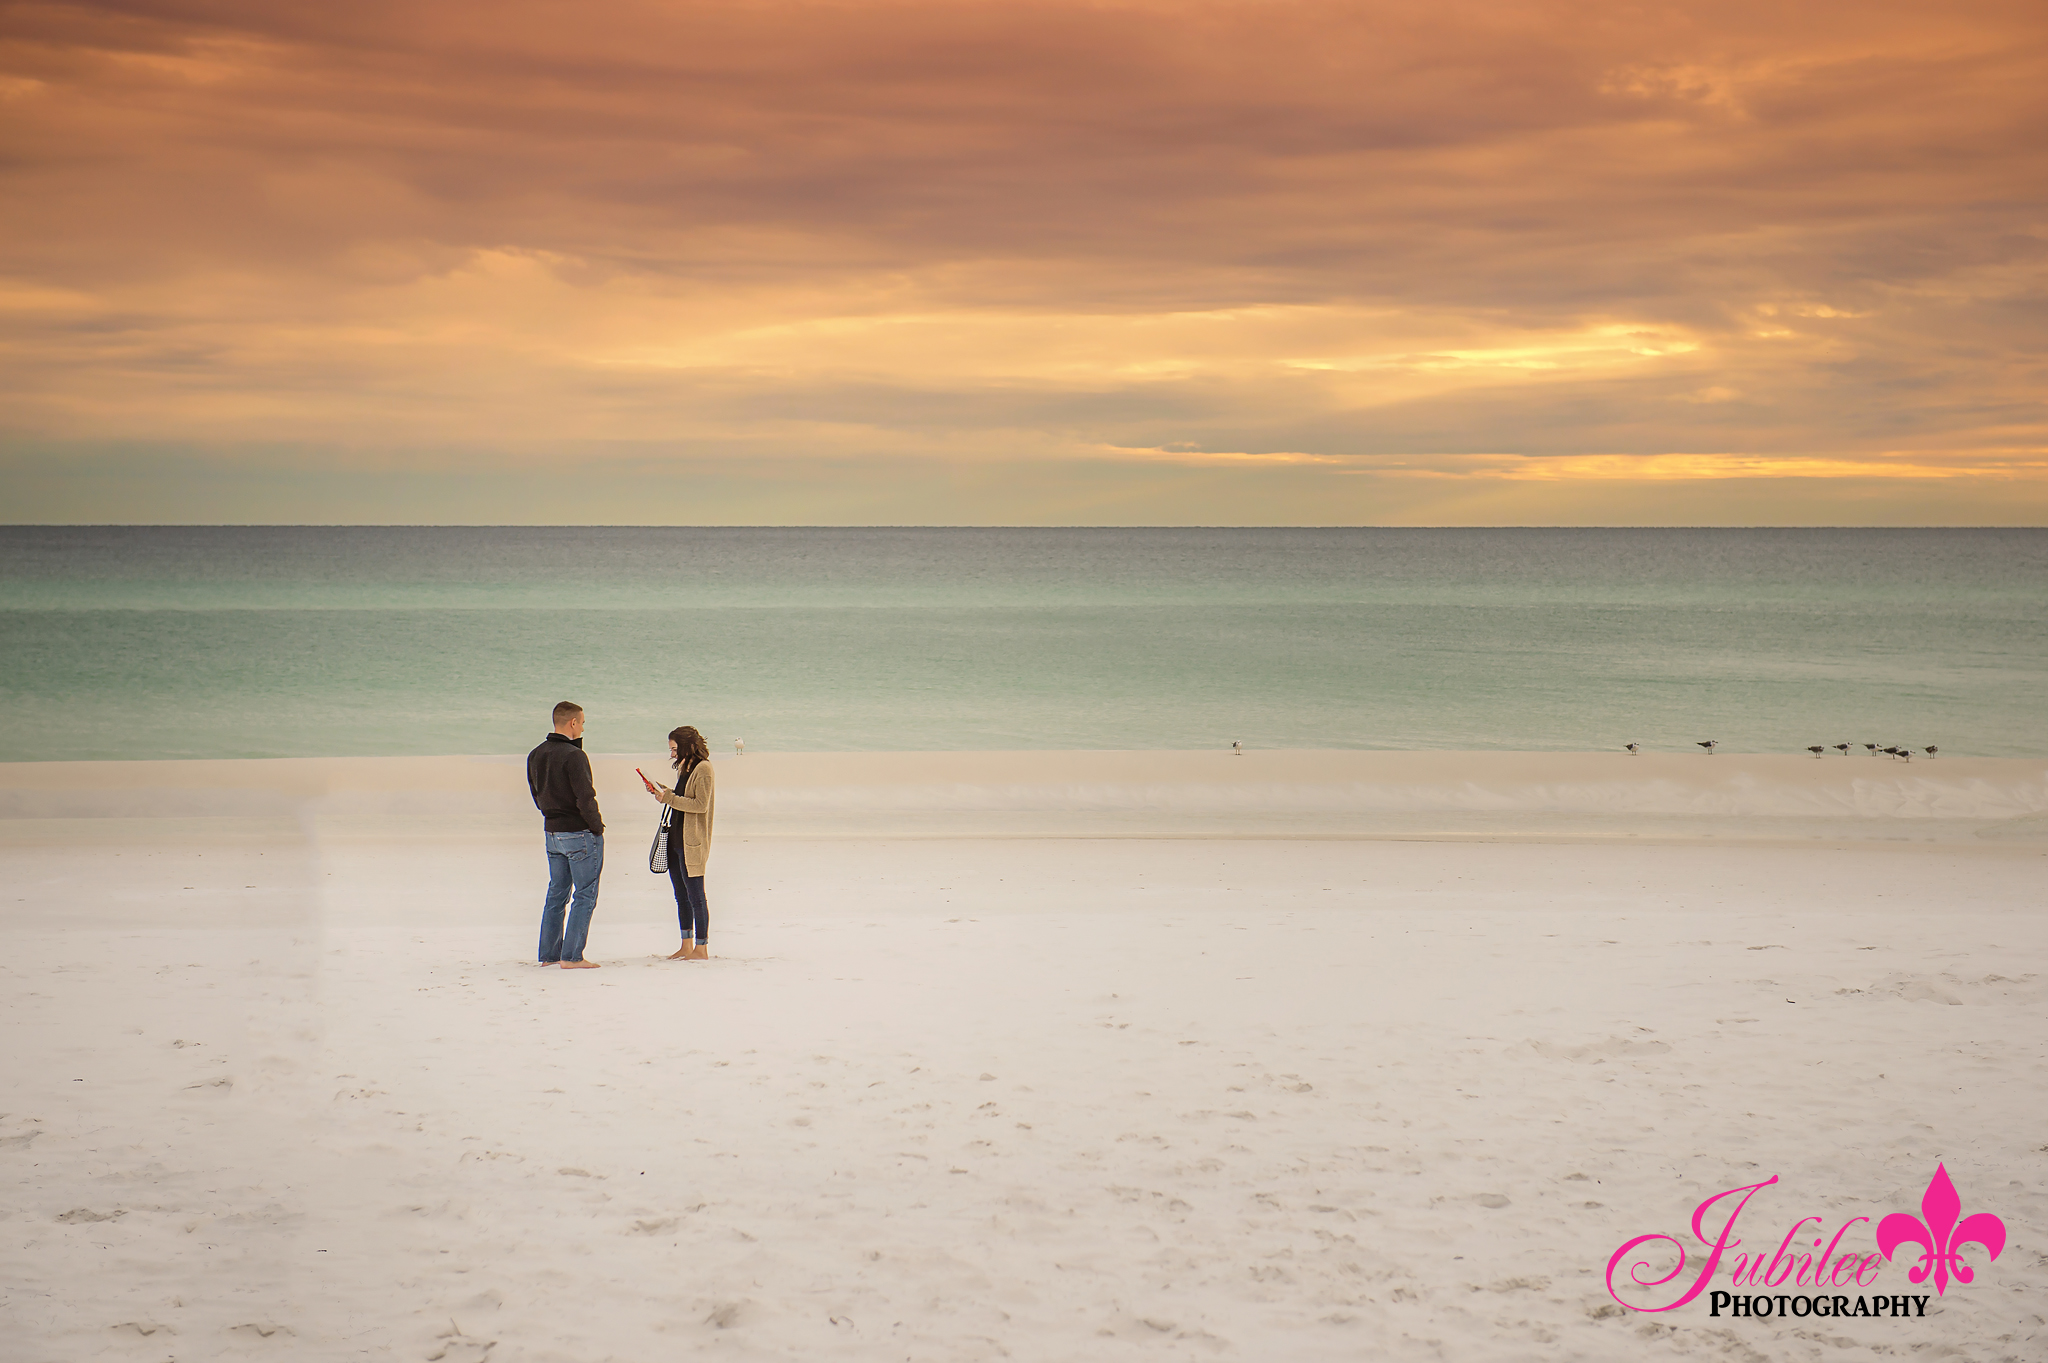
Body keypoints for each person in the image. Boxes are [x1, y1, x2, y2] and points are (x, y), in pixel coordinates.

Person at [528, 701, 605, 969]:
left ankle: (550, 954)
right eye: (582, 722)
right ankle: (571, 956)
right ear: (573, 723)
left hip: (552, 831)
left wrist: (552, 816)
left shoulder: (536, 754)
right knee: (585, 894)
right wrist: (597, 827)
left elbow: (536, 794)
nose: (583, 727)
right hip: (578, 832)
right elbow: (585, 796)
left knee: (557, 893)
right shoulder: (574, 756)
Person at [643, 725, 715, 960]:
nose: (672, 754)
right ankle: (686, 945)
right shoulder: (685, 768)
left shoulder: (704, 769)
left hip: (692, 842)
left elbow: (699, 805)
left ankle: (701, 948)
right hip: (675, 838)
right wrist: (661, 791)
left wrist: (669, 798)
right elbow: (682, 797)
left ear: (685, 746)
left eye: (674, 749)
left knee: (696, 896)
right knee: (681, 896)